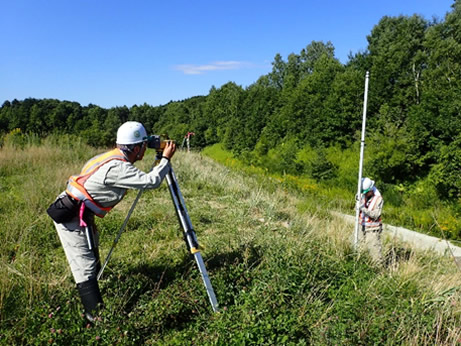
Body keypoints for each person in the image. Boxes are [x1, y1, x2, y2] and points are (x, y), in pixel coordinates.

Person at [47, 121, 176, 322]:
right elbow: (151, 181)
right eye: (144, 144)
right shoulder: (118, 168)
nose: (146, 148)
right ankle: (96, 317)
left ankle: (96, 292)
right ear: (137, 148)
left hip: (80, 212)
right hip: (71, 216)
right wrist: (165, 160)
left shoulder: (108, 156)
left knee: (92, 252)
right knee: (85, 266)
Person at [357, 177, 384, 264]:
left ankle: (378, 271)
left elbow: (376, 215)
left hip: (372, 229)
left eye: (366, 192)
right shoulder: (362, 195)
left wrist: (363, 208)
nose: (364, 194)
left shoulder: (378, 199)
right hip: (361, 227)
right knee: (358, 248)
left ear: (371, 189)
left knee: (374, 252)